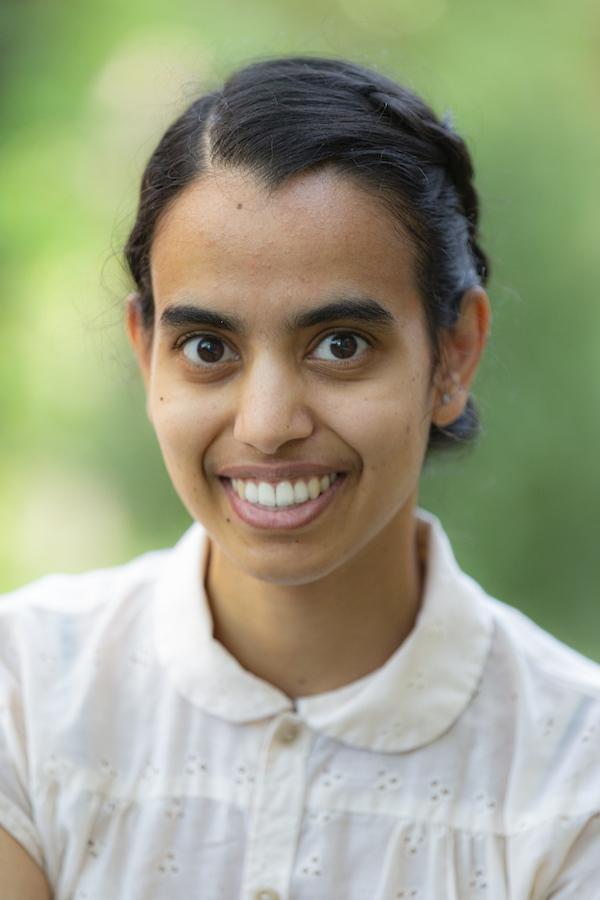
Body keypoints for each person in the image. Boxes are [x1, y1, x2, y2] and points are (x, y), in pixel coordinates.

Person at [1, 55, 599, 900]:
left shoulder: (575, 780)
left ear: (453, 355)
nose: (267, 424)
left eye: (341, 344)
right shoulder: (23, 696)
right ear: (147, 356)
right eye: (208, 350)